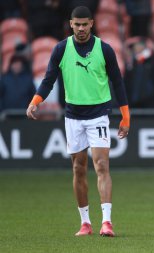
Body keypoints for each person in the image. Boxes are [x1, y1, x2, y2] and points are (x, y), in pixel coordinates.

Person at [26, 6, 130, 237]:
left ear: (92, 23)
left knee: (101, 165)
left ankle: (106, 222)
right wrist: (36, 100)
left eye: (85, 24)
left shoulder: (105, 49)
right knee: (78, 168)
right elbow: (48, 79)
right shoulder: (61, 49)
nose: (81, 28)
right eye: (77, 24)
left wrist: (125, 116)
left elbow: (118, 83)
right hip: (73, 116)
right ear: (70, 24)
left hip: (99, 114)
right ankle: (85, 223)